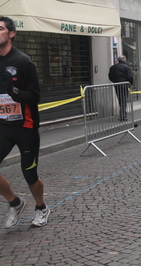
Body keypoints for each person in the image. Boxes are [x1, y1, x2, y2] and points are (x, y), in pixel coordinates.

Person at [0, 16, 50, 228]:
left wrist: (14, 92)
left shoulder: (22, 61)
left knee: (30, 175)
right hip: (2, 126)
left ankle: (41, 208)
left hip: (25, 127)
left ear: (11, 34)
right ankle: (15, 202)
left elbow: (34, 96)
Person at [108, 55, 133, 121]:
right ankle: (123, 116)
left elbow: (110, 76)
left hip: (117, 85)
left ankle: (123, 114)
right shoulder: (127, 67)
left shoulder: (113, 67)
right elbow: (130, 77)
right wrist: (130, 84)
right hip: (124, 85)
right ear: (125, 60)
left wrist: (115, 82)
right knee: (124, 101)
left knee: (120, 100)